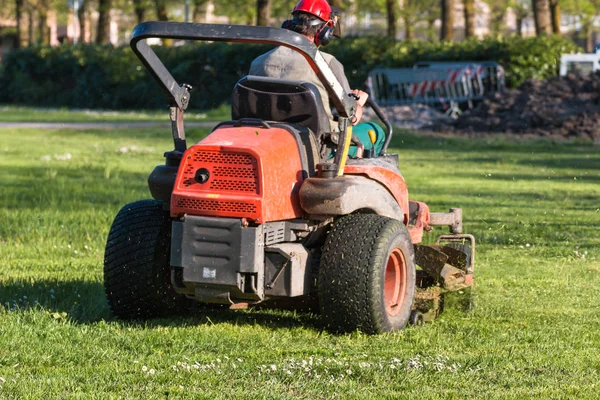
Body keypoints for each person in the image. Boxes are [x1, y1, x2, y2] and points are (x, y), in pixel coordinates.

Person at [249, 0, 385, 157]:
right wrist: (359, 102)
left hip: (267, 144)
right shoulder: (326, 63)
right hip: (316, 151)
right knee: (377, 131)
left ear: (288, 26)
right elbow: (350, 117)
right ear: (324, 32)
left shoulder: (258, 62)